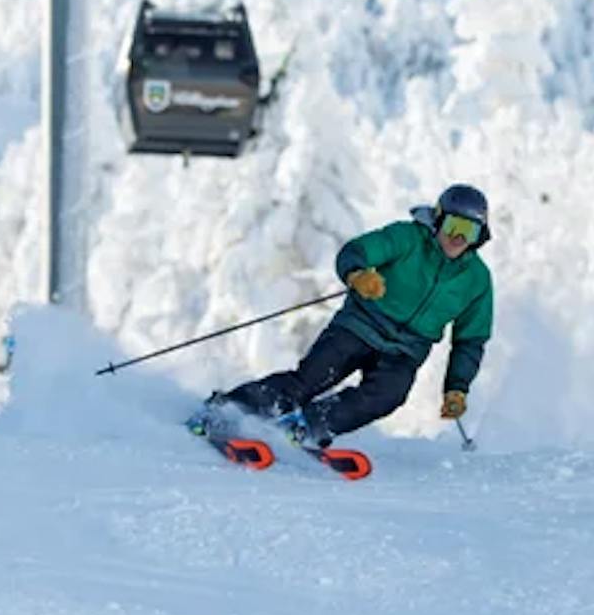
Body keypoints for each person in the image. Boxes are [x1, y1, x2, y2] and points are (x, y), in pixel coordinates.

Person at [205, 184, 494, 447]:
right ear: (438, 219)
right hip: (360, 325)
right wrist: (357, 274)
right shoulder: (407, 238)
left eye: (469, 231)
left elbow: (471, 339)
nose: (458, 237)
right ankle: (231, 408)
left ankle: (309, 426)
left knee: (387, 396)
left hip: (405, 350)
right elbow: (356, 251)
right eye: (454, 225)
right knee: (312, 377)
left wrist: (457, 388)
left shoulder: (477, 280)